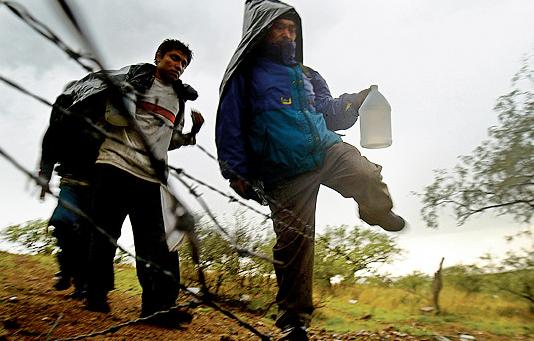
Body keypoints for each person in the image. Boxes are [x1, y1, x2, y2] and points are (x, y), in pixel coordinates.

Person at [215, 1, 405, 339]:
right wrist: (236, 171)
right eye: (280, 28)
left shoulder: (308, 75)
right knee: (294, 243)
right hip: (282, 168)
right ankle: (294, 320)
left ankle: (376, 210)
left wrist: (355, 100)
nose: (288, 35)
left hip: (324, 148)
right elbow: (229, 124)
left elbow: (331, 113)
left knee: (363, 171)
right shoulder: (245, 76)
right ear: (262, 31)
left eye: (292, 29)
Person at [61, 39, 203, 328]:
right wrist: (131, 102)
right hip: (114, 165)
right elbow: (113, 117)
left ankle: (158, 307)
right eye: (174, 59)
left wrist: (192, 132)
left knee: (157, 243)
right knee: (104, 234)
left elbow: (170, 141)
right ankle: (96, 295)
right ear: (159, 57)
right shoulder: (134, 81)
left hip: (150, 178)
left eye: (183, 63)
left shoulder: (178, 99)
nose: (178, 66)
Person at [38, 89, 101, 299]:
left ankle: (81, 283)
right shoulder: (61, 125)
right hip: (70, 182)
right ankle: (66, 269)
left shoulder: (104, 122)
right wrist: (44, 179)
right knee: (62, 222)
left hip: (96, 187)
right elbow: (48, 152)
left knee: (86, 234)